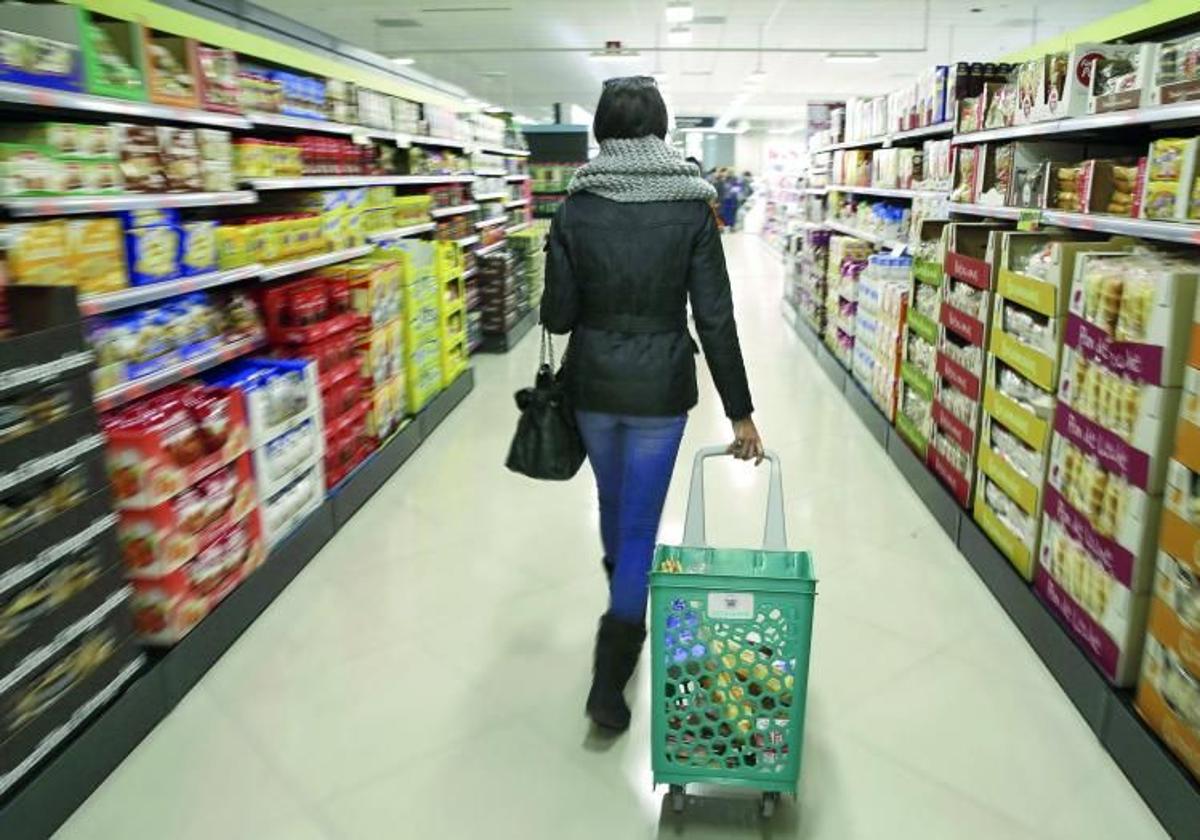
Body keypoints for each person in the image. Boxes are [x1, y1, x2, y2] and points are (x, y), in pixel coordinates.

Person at [541, 75, 763, 733]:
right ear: (662, 130)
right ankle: (610, 672)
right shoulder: (693, 203)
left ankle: (620, 610)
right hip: (662, 386)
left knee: (615, 506)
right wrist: (739, 410)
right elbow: (715, 318)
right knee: (639, 520)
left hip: (593, 384)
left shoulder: (575, 205)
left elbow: (557, 316)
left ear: (601, 131)